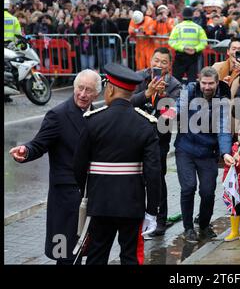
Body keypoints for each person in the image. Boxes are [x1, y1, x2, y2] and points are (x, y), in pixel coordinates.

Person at [9, 70, 102, 264]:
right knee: (65, 253)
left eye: (89, 90)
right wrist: (25, 150)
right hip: (66, 197)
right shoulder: (58, 115)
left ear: (96, 94)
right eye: (80, 88)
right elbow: (39, 144)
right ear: (74, 88)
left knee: (91, 249)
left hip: (92, 194)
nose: (83, 94)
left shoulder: (98, 116)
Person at [73, 63, 161, 265]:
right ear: (131, 93)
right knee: (130, 255)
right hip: (132, 202)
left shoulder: (92, 121)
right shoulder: (146, 123)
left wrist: (83, 194)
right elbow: (153, 172)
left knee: (96, 254)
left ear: (110, 89)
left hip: (100, 202)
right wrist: (152, 210)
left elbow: (78, 165)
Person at [174, 67, 232, 243]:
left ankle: (205, 225)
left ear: (217, 82)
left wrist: (226, 152)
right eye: (204, 83)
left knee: (207, 192)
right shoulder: (190, 90)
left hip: (208, 151)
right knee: (188, 188)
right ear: (199, 81)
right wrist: (170, 114)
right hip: (186, 148)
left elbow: (223, 128)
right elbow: (179, 106)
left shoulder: (222, 98)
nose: (207, 87)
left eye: (211, 83)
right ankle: (188, 228)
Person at [130, 47, 181, 236]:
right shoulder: (138, 77)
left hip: (158, 139)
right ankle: (137, 217)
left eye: (163, 62)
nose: (158, 65)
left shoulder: (175, 85)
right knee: (135, 179)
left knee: (157, 178)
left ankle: (161, 219)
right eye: (156, 61)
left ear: (169, 65)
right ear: (150, 60)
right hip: (134, 137)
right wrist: (146, 93)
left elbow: (171, 114)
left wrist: (161, 96)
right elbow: (126, 102)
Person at [168, 6, 208, 83]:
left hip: (180, 56)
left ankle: (175, 94)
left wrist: (183, 48)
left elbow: (171, 41)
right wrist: (195, 49)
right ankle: (192, 94)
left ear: (183, 16)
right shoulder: (198, 28)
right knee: (192, 81)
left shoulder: (178, 27)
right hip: (193, 57)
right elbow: (204, 42)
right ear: (192, 16)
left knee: (176, 80)